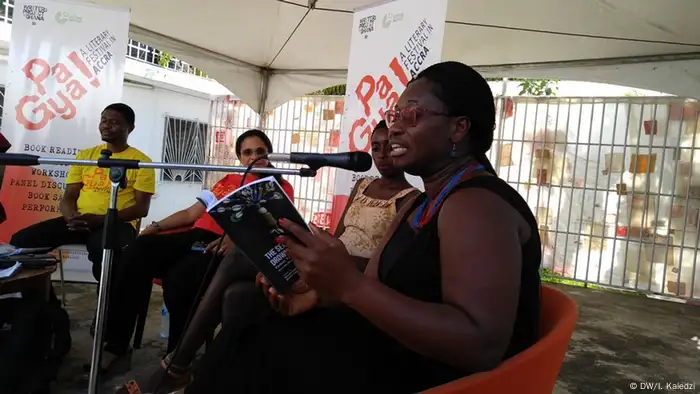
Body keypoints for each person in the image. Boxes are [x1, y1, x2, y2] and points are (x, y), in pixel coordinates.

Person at [184, 61, 543, 394]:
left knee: (261, 347)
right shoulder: (421, 202)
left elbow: (479, 344)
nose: (396, 125)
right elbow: (374, 285)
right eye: (393, 114)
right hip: (389, 347)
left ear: (458, 128)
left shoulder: (477, 204)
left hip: (428, 376)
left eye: (411, 114)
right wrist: (315, 292)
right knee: (249, 312)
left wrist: (348, 284)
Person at [115, 121, 420, 393]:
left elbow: (382, 262)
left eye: (389, 147)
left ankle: (178, 366)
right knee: (233, 294)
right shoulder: (362, 185)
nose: (382, 154)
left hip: (347, 275)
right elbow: (337, 237)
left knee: (230, 262)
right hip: (322, 262)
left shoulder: (410, 198)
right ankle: (196, 374)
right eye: (376, 147)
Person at [95, 129, 295, 375]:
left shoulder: (278, 185)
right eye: (247, 152)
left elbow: (273, 226)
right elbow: (191, 214)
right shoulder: (226, 181)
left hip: (224, 246)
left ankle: (177, 357)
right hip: (194, 236)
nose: (254, 157)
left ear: (268, 153)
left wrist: (236, 240)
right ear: (240, 157)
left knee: (179, 280)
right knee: (137, 250)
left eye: (260, 151)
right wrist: (155, 227)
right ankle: (116, 345)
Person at [10, 103, 154, 290]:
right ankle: (44, 307)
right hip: (79, 221)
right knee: (21, 242)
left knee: (105, 254)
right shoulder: (86, 156)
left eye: (114, 122)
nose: (106, 125)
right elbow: (69, 196)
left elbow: (141, 209)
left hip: (116, 225)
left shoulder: (142, 162)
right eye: (103, 120)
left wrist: (100, 220)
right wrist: (71, 217)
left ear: (130, 128)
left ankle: (107, 314)